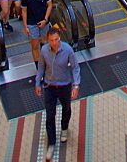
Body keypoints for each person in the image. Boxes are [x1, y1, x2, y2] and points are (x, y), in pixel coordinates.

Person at [34, 26, 81, 161]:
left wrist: (76, 86)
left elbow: (75, 68)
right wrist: (38, 83)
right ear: (48, 40)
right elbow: (41, 67)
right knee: (50, 115)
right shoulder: (44, 51)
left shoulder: (67, 50)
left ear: (59, 38)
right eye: (51, 40)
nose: (54, 43)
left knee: (66, 109)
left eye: (56, 40)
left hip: (65, 86)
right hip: (50, 86)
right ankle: (52, 143)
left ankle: (64, 128)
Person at [21, 0, 53, 64]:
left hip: (44, 21)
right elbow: (24, 11)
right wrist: (25, 26)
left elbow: (49, 5)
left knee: (45, 42)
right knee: (34, 45)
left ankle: (46, 61)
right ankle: (38, 66)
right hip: (32, 23)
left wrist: (45, 19)